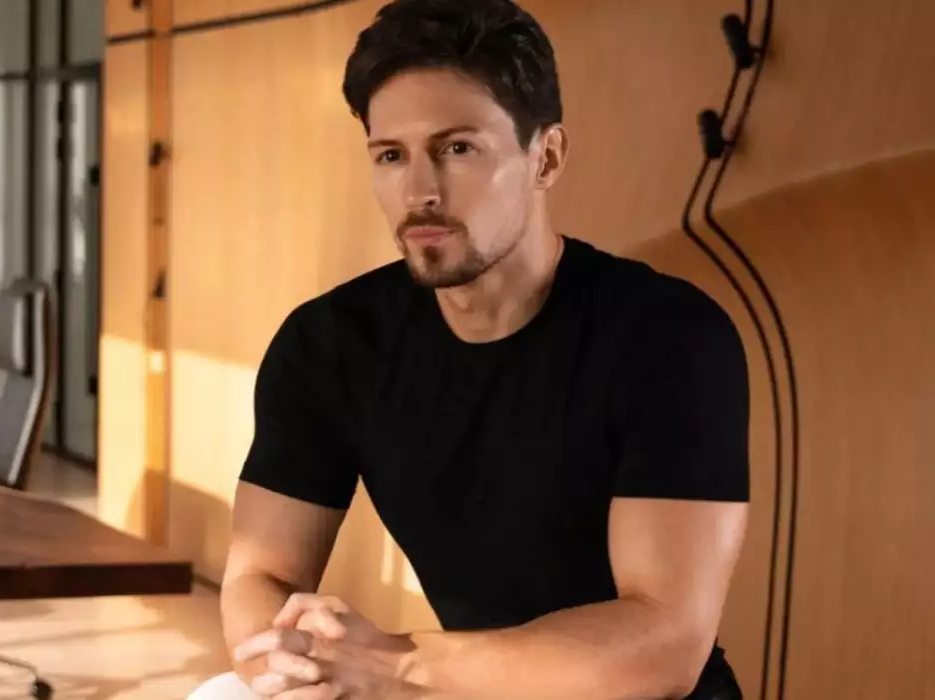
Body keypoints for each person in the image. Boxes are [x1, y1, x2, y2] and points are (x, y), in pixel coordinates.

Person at [189, 0, 750, 698]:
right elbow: (259, 574)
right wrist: (290, 663)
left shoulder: (671, 337)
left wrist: (398, 665)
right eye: (391, 156)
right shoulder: (330, 345)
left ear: (546, 157)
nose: (419, 191)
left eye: (457, 149)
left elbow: (665, 644)